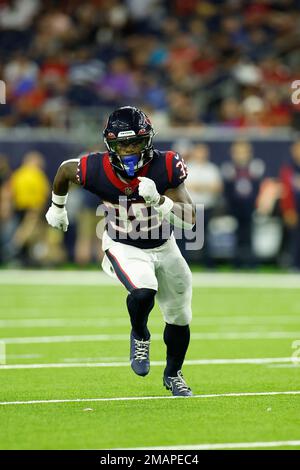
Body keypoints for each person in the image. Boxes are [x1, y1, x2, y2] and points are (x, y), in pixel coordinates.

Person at [45, 106, 195, 396]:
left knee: (180, 316)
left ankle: (173, 374)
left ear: (148, 140)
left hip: (164, 246)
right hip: (123, 244)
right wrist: (57, 207)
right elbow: (64, 170)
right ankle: (140, 333)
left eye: (135, 142)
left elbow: (190, 221)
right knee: (143, 289)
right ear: (110, 145)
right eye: (122, 144)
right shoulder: (95, 168)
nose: (128, 150)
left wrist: (160, 203)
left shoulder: (166, 165)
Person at [221, 141, 265, 267]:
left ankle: (251, 262)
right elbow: (227, 191)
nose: (241, 155)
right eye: (238, 152)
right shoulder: (229, 168)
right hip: (235, 207)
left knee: (249, 234)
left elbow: (258, 188)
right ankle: (237, 262)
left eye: (243, 152)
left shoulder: (255, 167)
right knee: (237, 235)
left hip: (250, 206)